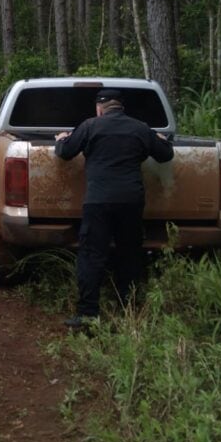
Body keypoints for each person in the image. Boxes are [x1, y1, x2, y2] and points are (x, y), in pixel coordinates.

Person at [54, 88, 174, 329]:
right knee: (129, 253)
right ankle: (127, 311)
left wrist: (60, 141)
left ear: (99, 109)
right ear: (121, 107)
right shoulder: (140, 128)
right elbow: (165, 155)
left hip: (98, 201)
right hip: (131, 201)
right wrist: (159, 141)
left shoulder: (89, 126)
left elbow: (66, 153)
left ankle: (88, 315)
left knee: (92, 255)